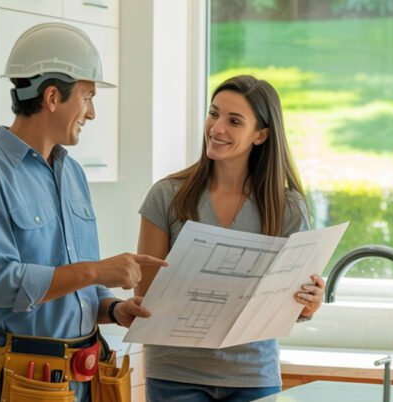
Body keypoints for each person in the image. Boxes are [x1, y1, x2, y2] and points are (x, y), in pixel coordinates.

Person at [0, 22, 166, 402]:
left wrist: (113, 308)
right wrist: (98, 270)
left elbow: (76, 282)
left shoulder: (72, 173)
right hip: (25, 382)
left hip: (88, 375)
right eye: (87, 97)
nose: (92, 113)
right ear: (52, 96)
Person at [135, 75, 325, 401]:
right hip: (175, 373)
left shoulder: (287, 207)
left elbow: (292, 307)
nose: (216, 128)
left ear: (261, 135)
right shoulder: (166, 195)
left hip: (252, 374)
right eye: (214, 113)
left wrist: (310, 303)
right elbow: (144, 294)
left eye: (234, 121)